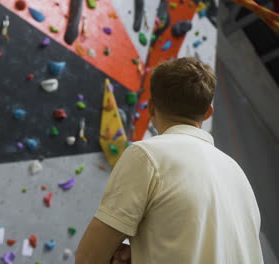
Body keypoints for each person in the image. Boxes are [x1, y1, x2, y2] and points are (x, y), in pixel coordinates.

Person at [76, 57, 263, 264]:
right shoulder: (238, 176)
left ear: (151, 107)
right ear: (208, 112)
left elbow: (88, 257)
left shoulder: (146, 156)